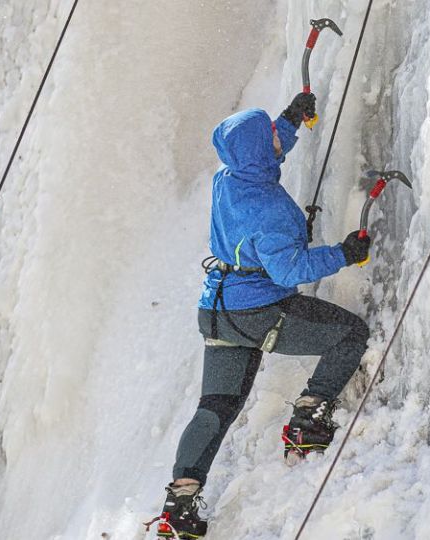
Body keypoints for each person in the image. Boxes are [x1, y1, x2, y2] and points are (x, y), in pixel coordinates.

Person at [153, 94, 372, 539]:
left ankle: (178, 507)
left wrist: (289, 123)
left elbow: (260, 158)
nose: (277, 137)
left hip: (216, 311)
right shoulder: (269, 210)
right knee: (351, 334)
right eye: (272, 135)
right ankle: (308, 420)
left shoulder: (228, 179)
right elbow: (290, 270)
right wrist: (344, 254)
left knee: (215, 408)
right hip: (257, 310)